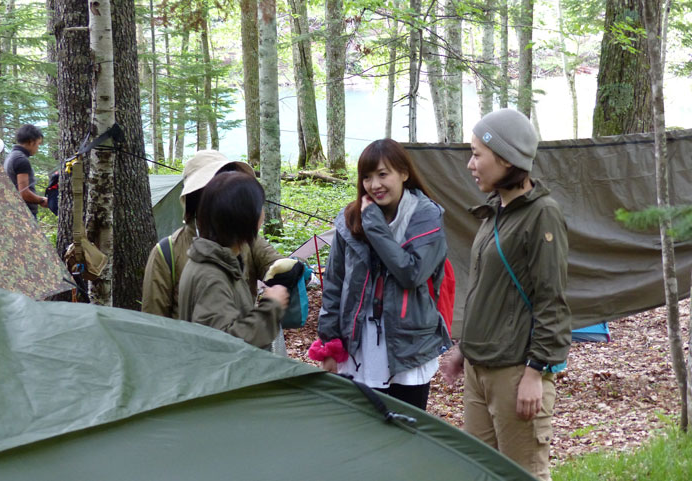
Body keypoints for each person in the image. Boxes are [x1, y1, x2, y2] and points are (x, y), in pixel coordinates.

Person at [439, 109, 571, 480]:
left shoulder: (542, 214)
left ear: (506, 158)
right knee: (481, 472)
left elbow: (551, 300)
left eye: (477, 154)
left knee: (523, 474)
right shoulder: (495, 212)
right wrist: (465, 348)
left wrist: (536, 372)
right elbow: (489, 292)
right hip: (479, 367)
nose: (470, 165)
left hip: (516, 371)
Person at [309, 139, 451, 411]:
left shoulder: (426, 218)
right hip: (359, 345)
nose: (374, 185)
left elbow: (411, 274)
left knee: (405, 425)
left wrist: (374, 225)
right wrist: (329, 342)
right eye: (367, 177)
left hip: (409, 346)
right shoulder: (351, 219)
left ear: (404, 173)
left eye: (383, 174)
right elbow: (335, 284)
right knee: (360, 425)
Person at [141, 150, 283, 320]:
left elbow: (277, 266)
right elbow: (154, 323)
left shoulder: (244, 241)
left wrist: (293, 271)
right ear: (196, 199)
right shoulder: (167, 253)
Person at [178, 172, 289, 349]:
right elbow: (225, 344)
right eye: (260, 206)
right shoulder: (211, 276)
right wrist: (271, 308)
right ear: (247, 217)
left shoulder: (221, 261)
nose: (263, 213)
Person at [3, 124, 47, 217]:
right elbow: (24, 193)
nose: (38, 148)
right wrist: (42, 200)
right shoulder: (21, 160)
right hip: (24, 214)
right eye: (38, 144)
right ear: (31, 142)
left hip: (13, 211)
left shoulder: (11, 156)